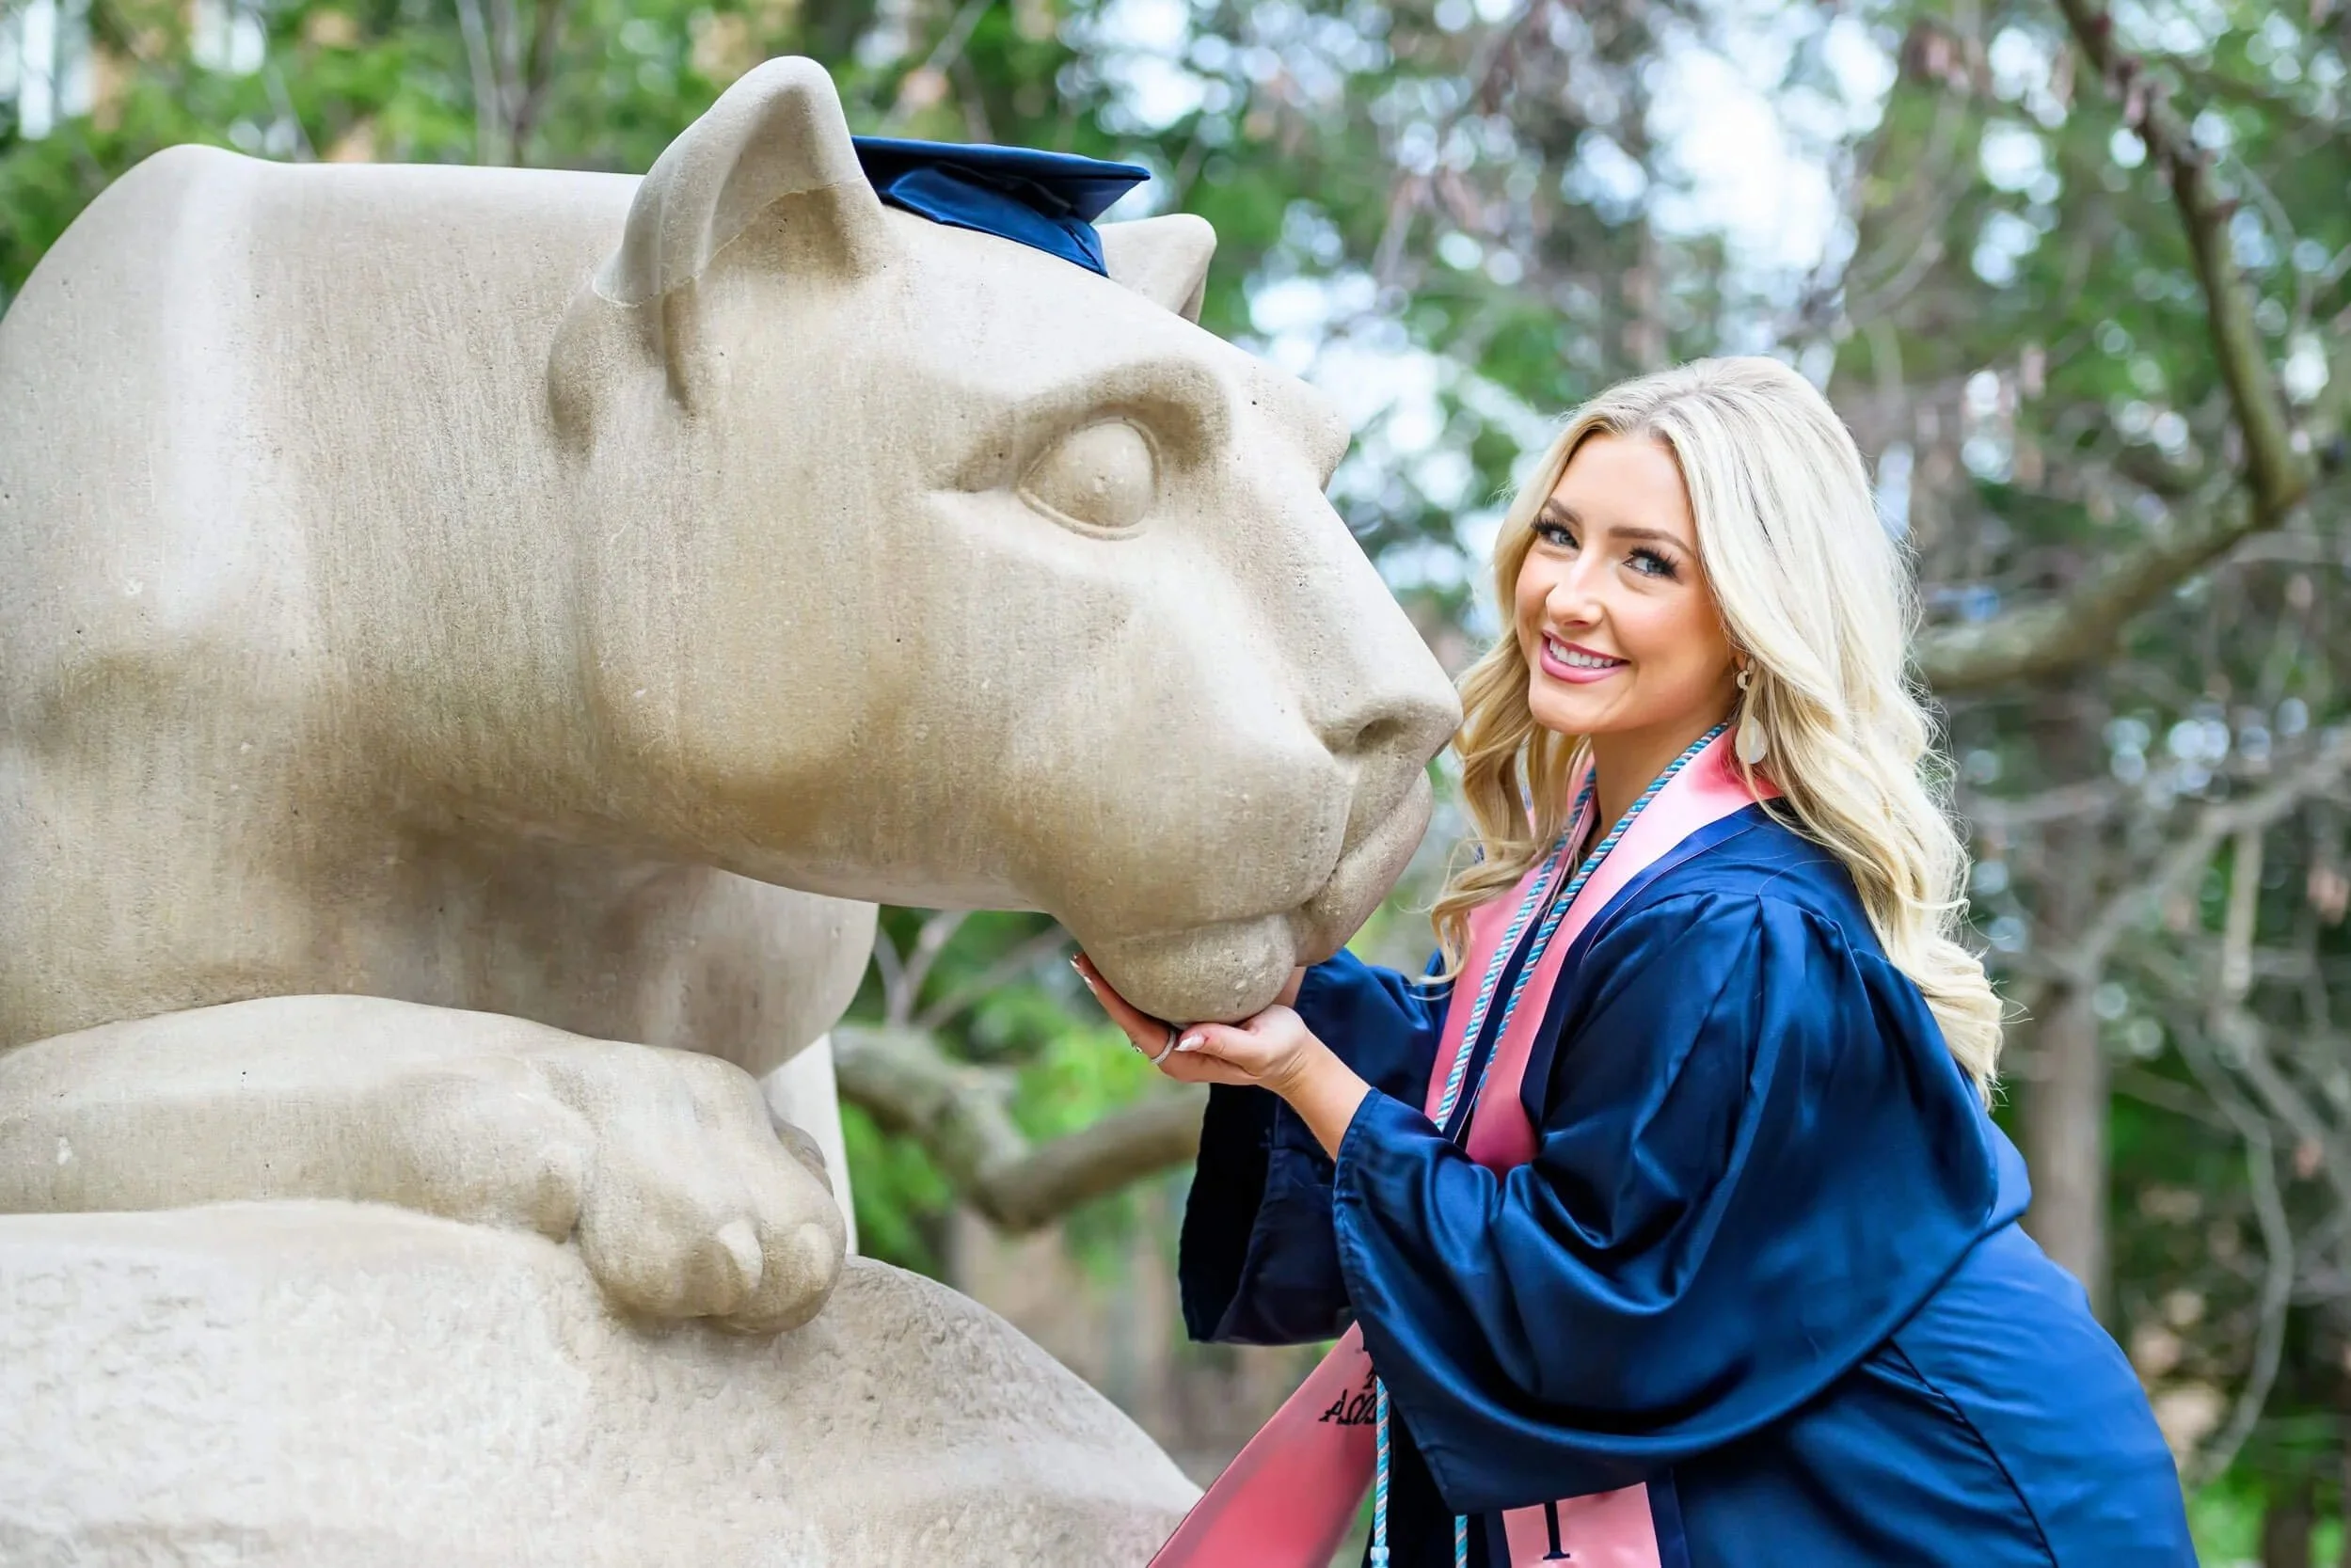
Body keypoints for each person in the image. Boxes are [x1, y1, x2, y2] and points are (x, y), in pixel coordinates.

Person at [1075, 358, 2194, 1567]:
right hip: (1788, 1457)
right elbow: (1502, 1093)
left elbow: (1600, 1292)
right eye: (1560, 535)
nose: (1568, 594)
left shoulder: (1741, 924)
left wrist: (1308, 1078)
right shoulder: (1610, 851)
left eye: (1646, 561)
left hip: (1933, 1490)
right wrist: (1272, 994)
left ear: (1756, 610)